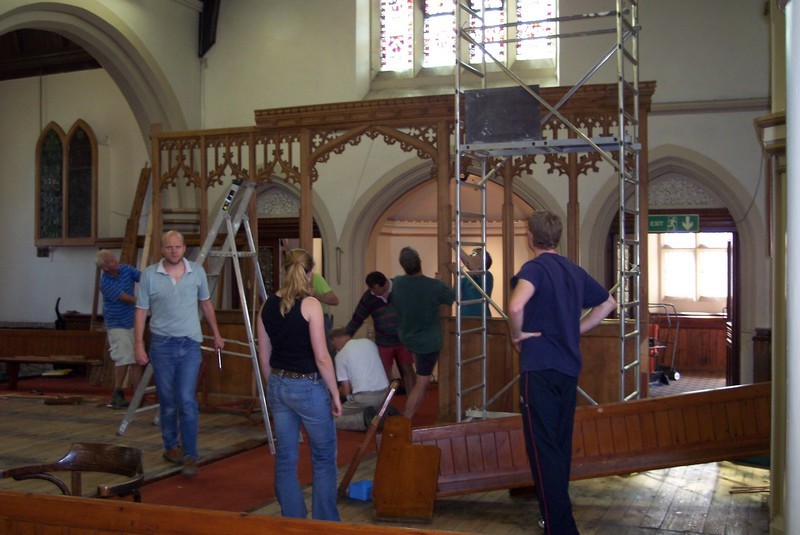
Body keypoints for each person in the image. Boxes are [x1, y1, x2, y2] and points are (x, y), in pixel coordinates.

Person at [508, 211, 617, 534]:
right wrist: (575, 330)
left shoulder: (534, 268)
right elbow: (608, 303)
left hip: (539, 367)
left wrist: (517, 335)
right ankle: (555, 520)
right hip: (568, 368)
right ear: (557, 237)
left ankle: (560, 526)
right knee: (558, 446)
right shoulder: (573, 270)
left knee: (542, 449)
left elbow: (516, 306)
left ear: (530, 236)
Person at [257, 248, 342, 521]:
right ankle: (326, 523)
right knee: (324, 457)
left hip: (278, 383)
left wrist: (274, 387)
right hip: (308, 386)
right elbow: (322, 357)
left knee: (286, 457)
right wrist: (334, 393)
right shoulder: (311, 305)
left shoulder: (266, 305)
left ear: (284, 271)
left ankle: (292, 520)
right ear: (310, 273)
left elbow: (264, 355)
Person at [134, 230, 225, 478]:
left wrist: (216, 334)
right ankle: (171, 445)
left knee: (186, 398)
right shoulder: (150, 275)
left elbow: (206, 304)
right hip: (162, 345)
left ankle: (191, 453)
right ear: (162, 250)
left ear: (184, 248)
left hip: (190, 344)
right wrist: (139, 344)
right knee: (167, 399)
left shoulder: (197, 272)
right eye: (169, 247)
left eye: (178, 246)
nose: (174, 251)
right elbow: (141, 311)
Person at [390, 246, 455, 421]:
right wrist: (447, 279)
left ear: (402, 265)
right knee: (422, 381)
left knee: (417, 376)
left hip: (406, 337)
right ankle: (406, 418)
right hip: (427, 342)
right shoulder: (434, 286)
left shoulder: (397, 283)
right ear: (419, 262)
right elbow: (451, 297)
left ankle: (413, 405)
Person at [345, 271, 416, 394]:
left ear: (384, 285)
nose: (373, 292)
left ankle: (413, 402)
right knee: (384, 373)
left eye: (375, 290)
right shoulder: (369, 297)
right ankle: (385, 407)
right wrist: (345, 338)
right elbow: (357, 319)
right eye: (371, 289)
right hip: (383, 341)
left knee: (408, 369)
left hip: (403, 339)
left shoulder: (401, 288)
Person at [96, 250, 143, 409]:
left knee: (138, 357)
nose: (114, 262)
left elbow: (143, 278)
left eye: (113, 259)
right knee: (124, 358)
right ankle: (117, 392)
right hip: (117, 324)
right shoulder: (105, 283)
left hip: (132, 321)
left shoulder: (126, 269)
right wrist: (145, 301)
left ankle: (138, 394)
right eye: (109, 261)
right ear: (105, 268)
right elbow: (127, 298)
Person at [328, 327, 397, 431]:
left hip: (365, 397)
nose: (334, 347)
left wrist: (336, 394)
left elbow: (346, 391)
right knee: (361, 405)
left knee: (331, 418)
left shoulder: (340, 356)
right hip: (385, 395)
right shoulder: (368, 343)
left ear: (335, 339)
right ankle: (384, 413)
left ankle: (365, 420)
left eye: (333, 344)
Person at [448, 239, 494, 317]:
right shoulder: (464, 278)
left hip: (482, 320)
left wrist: (455, 246)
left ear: (483, 261)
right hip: (464, 319)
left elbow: (471, 264)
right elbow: (457, 297)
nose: (470, 255)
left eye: (475, 254)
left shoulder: (487, 275)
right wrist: (456, 275)